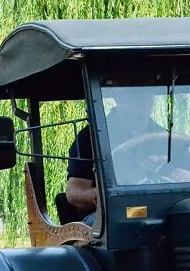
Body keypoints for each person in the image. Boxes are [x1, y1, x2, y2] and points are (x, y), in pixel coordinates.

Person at [64, 89, 165, 224]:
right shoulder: (89, 137)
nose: (142, 98)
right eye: (134, 93)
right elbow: (74, 192)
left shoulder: (167, 138)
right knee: (124, 221)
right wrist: (99, 195)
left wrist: (182, 176)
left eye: (146, 91)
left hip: (162, 210)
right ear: (118, 96)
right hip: (109, 216)